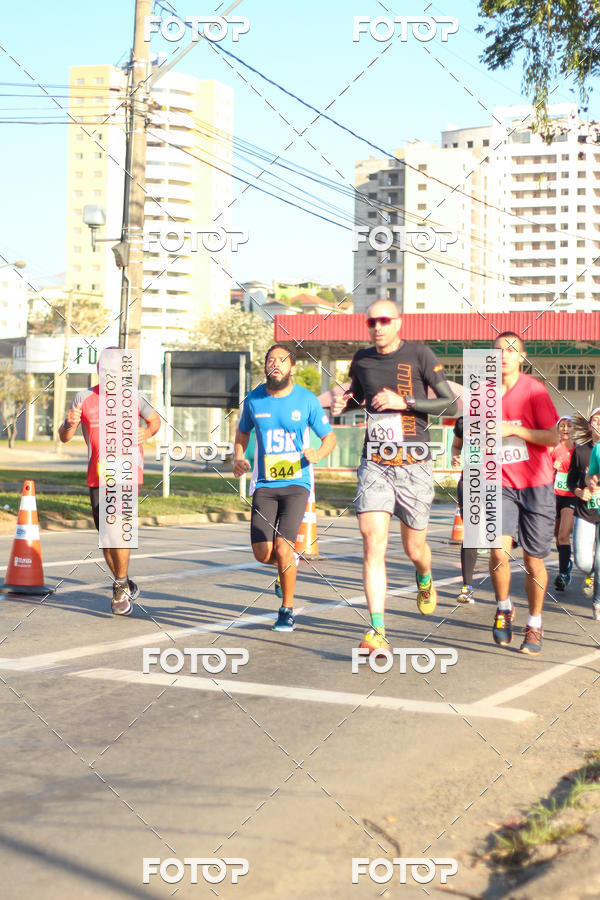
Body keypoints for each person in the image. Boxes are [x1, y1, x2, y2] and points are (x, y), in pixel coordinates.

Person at [330, 299, 457, 653]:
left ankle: (424, 576)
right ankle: (378, 631)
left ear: (398, 322)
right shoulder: (362, 359)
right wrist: (345, 402)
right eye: (372, 322)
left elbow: (451, 404)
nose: (377, 327)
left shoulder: (420, 355)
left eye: (384, 320)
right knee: (373, 543)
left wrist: (407, 402)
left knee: (414, 548)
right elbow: (360, 396)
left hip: (414, 462)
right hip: (375, 461)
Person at [233, 344, 336, 632]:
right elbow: (243, 431)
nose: (274, 364)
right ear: (265, 366)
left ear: (291, 367)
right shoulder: (254, 399)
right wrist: (238, 457)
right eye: (270, 360)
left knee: (283, 547)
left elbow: (329, 438)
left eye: (281, 360)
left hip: (296, 483)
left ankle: (286, 610)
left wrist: (319, 453)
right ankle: (284, 568)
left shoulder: (307, 400)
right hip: (265, 483)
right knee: (262, 553)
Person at [58, 351, 161, 615]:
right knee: (106, 535)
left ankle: (120, 585)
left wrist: (147, 432)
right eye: (106, 369)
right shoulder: (84, 397)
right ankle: (122, 582)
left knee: (116, 525)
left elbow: (155, 420)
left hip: (126, 470)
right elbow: (64, 436)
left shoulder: (133, 397)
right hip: (97, 473)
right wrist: (68, 425)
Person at [489, 333, 558, 655]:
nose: (504, 356)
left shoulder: (534, 390)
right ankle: (504, 608)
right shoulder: (483, 394)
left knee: (533, 561)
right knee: (498, 551)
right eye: (498, 351)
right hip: (499, 483)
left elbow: (552, 437)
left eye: (511, 350)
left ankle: (534, 623)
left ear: (522, 357)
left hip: (537, 484)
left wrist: (514, 429)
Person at [567, 409, 600, 618]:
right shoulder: (581, 452)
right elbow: (572, 481)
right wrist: (580, 490)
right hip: (585, 511)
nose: (598, 423)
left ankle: (598, 602)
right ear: (589, 425)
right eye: (595, 419)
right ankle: (591, 574)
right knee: (584, 562)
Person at [450, 416, 477, 603]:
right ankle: (467, 586)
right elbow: (456, 446)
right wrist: (455, 456)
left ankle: (504, 598)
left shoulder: (503, 418)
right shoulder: (462, 422)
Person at [551, 415, 576, 591]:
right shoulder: (552, 449)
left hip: (571, 496)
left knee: (563, 535)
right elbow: (542, 470)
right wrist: (553, 467)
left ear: (574, 429)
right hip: (553, 496)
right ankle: (567, 564)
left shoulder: (579, 450)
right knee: (557, 537)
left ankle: (563, 574)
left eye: (569, 426)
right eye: (562, 426)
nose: (565, 429)